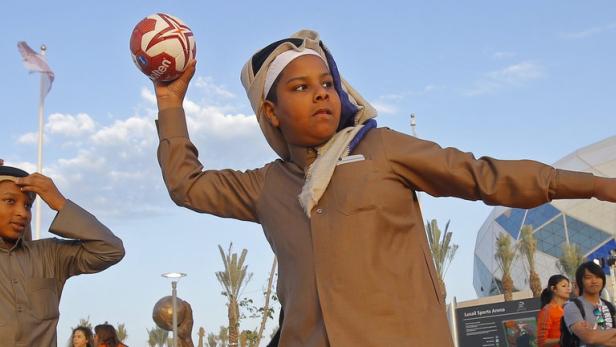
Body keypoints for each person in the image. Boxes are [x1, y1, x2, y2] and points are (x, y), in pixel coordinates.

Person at [153, 29, 616, 346]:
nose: (321, 93)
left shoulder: (382, 149)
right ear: (270, 113)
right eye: (299, 87)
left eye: (327, 83)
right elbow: (186, 186)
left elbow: (484, 176)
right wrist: (170, 101)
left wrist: (595, 186)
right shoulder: (265, 186)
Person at [0, 164, 125, 347]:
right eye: (10, 201)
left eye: (28, 205)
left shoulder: (49, 254)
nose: (22, 213)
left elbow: (111, 250)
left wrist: (59, 202)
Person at [563, 262, 616, 347]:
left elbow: (594, 336)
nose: (594, 281)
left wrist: (595, 335)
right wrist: (613, 332)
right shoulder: (572, 306)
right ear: (580, 281)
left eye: (598, 277)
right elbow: (589, 338)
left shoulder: (609, 306)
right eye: (588, 277)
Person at [537, 275, 571, 347]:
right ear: (553, 289)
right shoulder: (547, 310)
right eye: (564, 286)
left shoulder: (568, 309)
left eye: (568, 286)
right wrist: (563, 340)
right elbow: (542, 342)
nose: (568, 289)